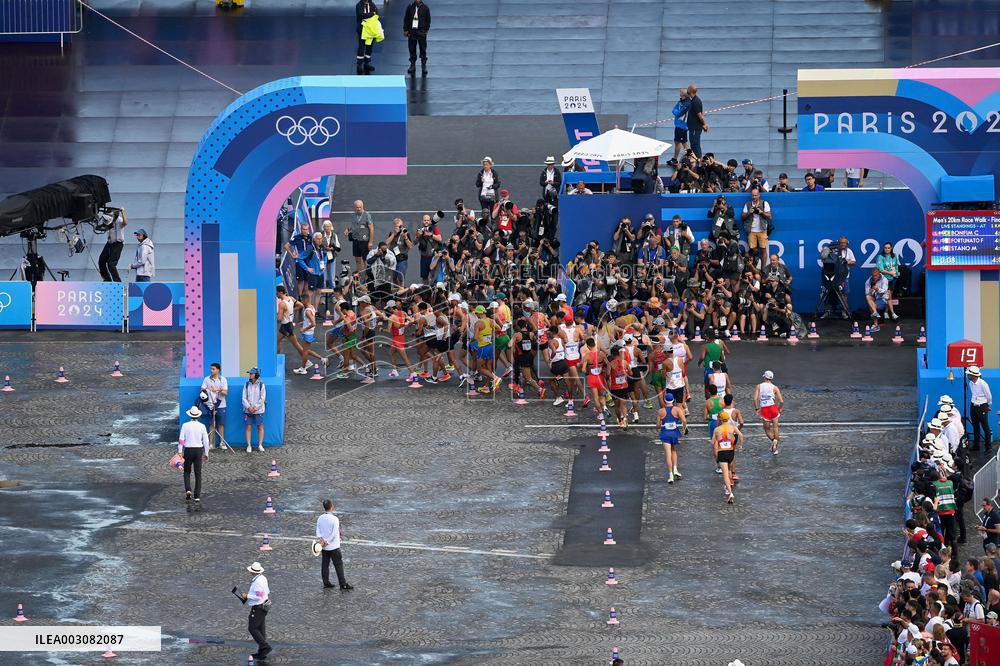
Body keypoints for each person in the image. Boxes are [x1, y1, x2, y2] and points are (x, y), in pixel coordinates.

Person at [316, 499, 354, 590]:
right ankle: (343, 584)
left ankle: (326, 582)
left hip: (324, 547)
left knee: (325, 564)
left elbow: (318, 531)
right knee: (338, 565)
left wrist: (322, 541)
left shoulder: (320, 518)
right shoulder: (335, 519)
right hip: (334, 547)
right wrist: (327, 542)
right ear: (331, 507)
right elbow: (334, 534)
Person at [178, 405, 209, 502]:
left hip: (188, 450)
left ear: (190, 415)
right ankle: (197, 496)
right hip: (198, 450)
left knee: (187, 471)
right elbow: (206, 442)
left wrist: (180, 451)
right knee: (198, 473)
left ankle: (188, 489)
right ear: (198, 416)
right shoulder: (202, 426)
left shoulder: (185, 425)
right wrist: (206, 453)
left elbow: (181, 440)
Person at [241, 561, 271, 659]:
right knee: (261, 629)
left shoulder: (257, 582)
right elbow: (266, 592)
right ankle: (262, 652)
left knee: (252, 628)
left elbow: (259, 596)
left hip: (258, 607)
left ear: (252, 572)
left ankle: (265, 647)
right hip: (264, 606)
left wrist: (247, 595)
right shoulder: (263, 578)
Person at [657, 392, 687, 484]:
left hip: (665, 433)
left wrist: (660, 425)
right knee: (673, 450)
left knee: (668, 454)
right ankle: (675, 469)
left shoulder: (661, 411)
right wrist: (684, 429)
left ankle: (670, 475)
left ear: (665, 401)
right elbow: (684, 420)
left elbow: (658, 425)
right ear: (673, 400)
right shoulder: (677, 409)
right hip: (674, 433)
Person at [712, 411, 742, 504]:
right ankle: (729, 485)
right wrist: (740, 445)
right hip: (730, 452)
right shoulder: (732, 427)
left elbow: (713, 442)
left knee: (725, 473)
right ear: (728, 418)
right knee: (729, 469)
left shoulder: (717, 429)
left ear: (720, 419)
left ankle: (730, 492)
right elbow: (740, 435)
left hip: (722, 452)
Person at [753, 370, 784, 455]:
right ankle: (776, 448)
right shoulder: (775, 387)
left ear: (764, 377)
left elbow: (755, 399)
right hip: (773, 408)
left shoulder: (759, 386)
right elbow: (781, 401)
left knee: (767, 430)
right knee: (776, 428)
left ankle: (773, 441)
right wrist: (779, 409)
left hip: (765, 409)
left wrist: (756, 409)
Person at [200, 362, 228, 448]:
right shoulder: (206, 379)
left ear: (218, 370)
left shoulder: (223, 379)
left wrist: (217, 390)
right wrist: (208, 390)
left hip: (221, 405)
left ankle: (222, 443)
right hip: (210, 405)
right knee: (211, 424)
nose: (211, 370)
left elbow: (225, 392)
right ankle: (211, 443)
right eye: (211, 369)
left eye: (213, 369)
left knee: (221, 424)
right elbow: (202, 390)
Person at [740, 189, 772, 263]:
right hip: (751, 230)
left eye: (755, 195)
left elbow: (770, 216)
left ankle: (763, 269)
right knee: (753, 250)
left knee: (763, 249)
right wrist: (748, 213)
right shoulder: (748, 204)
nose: (754, 197)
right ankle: (755, 266)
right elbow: (742, 217)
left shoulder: (764, 203)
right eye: (752, 195)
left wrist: (761, 212)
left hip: (762, 229)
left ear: (759, 195)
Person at [98, 207, 128, 282]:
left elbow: (125, 223)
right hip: (109, 243)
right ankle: (107, 279)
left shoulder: (119, 220)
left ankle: (117, 281)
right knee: (101, 260)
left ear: (115, 215)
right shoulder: (108, 220)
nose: (110, 217)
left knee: (111, 263)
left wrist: (123, 212)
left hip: (118, 244)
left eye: (111, 216)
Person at [968, 365, 992, 452]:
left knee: (985, 427)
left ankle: (988, 447)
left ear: (974, 375)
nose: (968, 376)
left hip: (982, 406)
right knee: (975, 426)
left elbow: (988, 396)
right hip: (973, 405)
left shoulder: (983, 383)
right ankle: (976, 445)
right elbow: (974, 394)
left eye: (969, 375)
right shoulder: (971, 383)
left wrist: (988, 405)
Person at [403, 0, 431, 76]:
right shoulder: (410, 7)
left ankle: (423, 65)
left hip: (421, 32)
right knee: (412, 48)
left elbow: (428, 20)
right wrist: (405, 30)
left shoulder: (425, 8)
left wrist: (425, 30)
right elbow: (406, 19)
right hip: (412, 31)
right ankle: (412, 65)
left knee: (423, 49)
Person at [348, 199, 374, 273]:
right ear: (355, 207)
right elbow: (353, 226)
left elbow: (371, 229)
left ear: (363, 206)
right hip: (355, 240)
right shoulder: (354, 215)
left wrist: (370, 242)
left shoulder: (367, 215)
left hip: (364, 241)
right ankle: (360, 274)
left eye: (360, 207)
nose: (358, 209)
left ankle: (366, 276)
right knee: (357, 259)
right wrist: (348, 229)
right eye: (357, 207)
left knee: (365, 260)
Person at [243, 367, 266, 452]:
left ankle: (260, 444)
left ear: (256, 375)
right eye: (250, 373)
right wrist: (248, 407)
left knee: (260, 426)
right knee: (248, 427)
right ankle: (249, 445)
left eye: (251, 374)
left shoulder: (261, 385)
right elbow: (244, 397)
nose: (250, 375)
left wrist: (255, 408)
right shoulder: (246, 384)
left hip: (258, 411)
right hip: (248, 410)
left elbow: (262, 398)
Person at [876, 242, 901, 321]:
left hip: (893, 279)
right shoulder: (880, 257)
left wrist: (896, 273)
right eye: (885, 248)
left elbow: (896, 266)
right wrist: (890, 273)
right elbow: (880, 269)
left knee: (889, 296)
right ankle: (893, 314)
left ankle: (886, 312)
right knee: (888, 296)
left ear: (891, 248)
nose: (887, 249)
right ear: (884, 249)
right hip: (884, 279)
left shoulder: (894, 256)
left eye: (888, 248)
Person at [355, 0, 379, 74]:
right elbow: (361, 15)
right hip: (362, 30)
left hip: (370, 30)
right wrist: (372, 13)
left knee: (369, 47)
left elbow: (377, 14)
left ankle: (367, 63)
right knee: (361, 47)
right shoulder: (359, 5)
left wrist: (371, 14)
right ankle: (359, 64)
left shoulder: (372, 4)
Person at [686, 84, 708, 157]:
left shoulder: (696, 101)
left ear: (691, 90)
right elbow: (701, 113)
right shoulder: (694, 100)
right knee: (693, 144)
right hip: (693, 127)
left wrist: (704, 124)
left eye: (688, 88)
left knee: (695, 145)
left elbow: (700, 115)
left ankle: (699, 160)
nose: (687, 89)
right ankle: (696, 159)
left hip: (695, 128)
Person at [671, 88, 691, 163]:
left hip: (682, 126)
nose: (679, 92)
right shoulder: (681, 101)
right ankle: (690, 158)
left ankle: (676, 159)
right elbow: (674, 109)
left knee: (679, 142)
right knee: (683, 142)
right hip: (678, 125)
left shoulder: (687, 103)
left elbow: (679, 113)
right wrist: (676, 112)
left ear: (684, 94)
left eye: (681, 91)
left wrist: (676, 112)